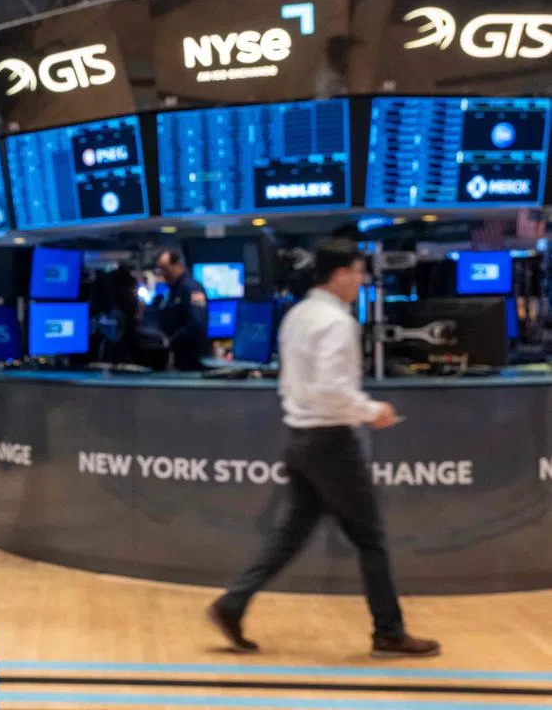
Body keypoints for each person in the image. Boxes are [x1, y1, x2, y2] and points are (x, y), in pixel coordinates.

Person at [206, 238, 439, 659]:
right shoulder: (335, 322)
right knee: (370, 539)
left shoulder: (297, 315)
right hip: (331, 442)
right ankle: (388, 631)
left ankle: (233, 603)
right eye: (358, 271)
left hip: (299, 439)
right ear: (340, 273)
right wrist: (372, 410)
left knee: (290, 535)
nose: (362, 280)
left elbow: (294, 382)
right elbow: (332, 389)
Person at [155, 250, 208, 371]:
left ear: (177, 265)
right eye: (160, 270)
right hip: (177, 355)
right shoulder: (173, 290)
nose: (163, 274)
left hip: (191, 357)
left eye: (165, 268)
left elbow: (196, 323)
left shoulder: (191, 288)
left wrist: (170, 341)